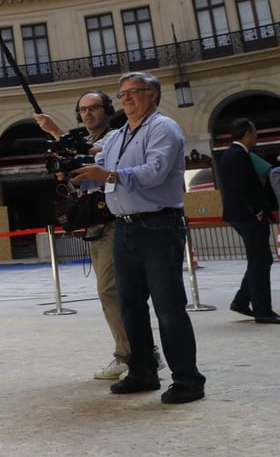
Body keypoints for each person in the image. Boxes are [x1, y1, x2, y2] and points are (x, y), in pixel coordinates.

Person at [72, 72, 206, 404]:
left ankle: (188, 379)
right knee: (130, 305)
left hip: (159, 227)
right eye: (123, 93)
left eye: (135, 91)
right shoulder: (117, 137)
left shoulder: (163, 128)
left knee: (168, 306)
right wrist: (76, 175)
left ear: (153, 95)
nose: (127, 97)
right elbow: (98, 175)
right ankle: (143, 371)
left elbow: (155, 171)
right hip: (125, 228)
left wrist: (109, 175)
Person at [37, 93, 165, 380]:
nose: (88, 114)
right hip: (95, 224)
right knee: (113, 291)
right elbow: (76, 165)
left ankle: (133, 354)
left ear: (107, 110)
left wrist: (56, 132)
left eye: (94, 108)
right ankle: (139, 351)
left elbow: (93, 152)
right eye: (82, 109)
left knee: (112, 290)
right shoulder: (88, 139)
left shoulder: (116, 137)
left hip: (115, 221)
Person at [219, 118, 280, 324]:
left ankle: (242, 301)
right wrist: (257, 210)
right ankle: (262, 310)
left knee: (259, 259)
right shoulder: (239, 156)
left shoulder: (230, 154)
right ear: (246, 133)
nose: (256, 137)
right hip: (249, 216)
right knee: (260, 261)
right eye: (254, 133)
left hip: (239, 215)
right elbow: (242, 186)